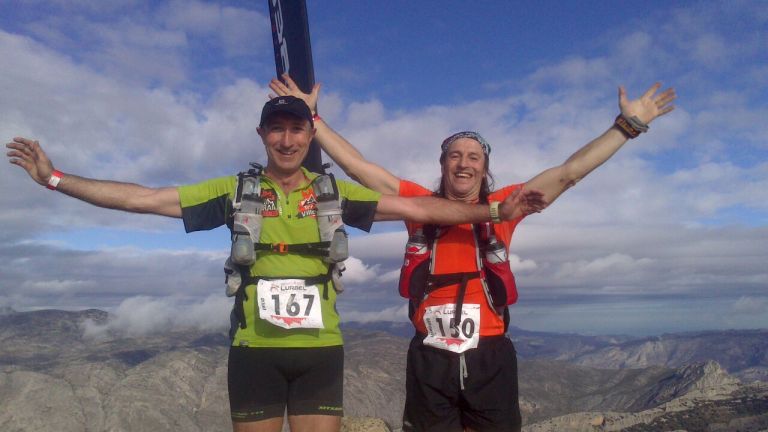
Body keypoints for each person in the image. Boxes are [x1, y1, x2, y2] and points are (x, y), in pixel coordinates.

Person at [5, 96, 546, 432]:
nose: (287, 139)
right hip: (254, 351)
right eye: (277, 129)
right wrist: (55, 180)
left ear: (310, 137)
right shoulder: (234, 191)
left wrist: (494, 210)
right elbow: (144, 198)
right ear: (263, 136)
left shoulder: (334, 194)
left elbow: (417, 206)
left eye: (297, 130)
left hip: (319, 352)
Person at [270, 75, 676, 432]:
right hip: (429, 354)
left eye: (473, 157)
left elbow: (569, 173)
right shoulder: (417, 204)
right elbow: (358, 168)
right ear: (443, 163)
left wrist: (627, 126)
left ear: (484, 168)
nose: (463, 164)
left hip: (490, 355)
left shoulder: (505, 206)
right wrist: (313, 119)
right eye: (455, 156)